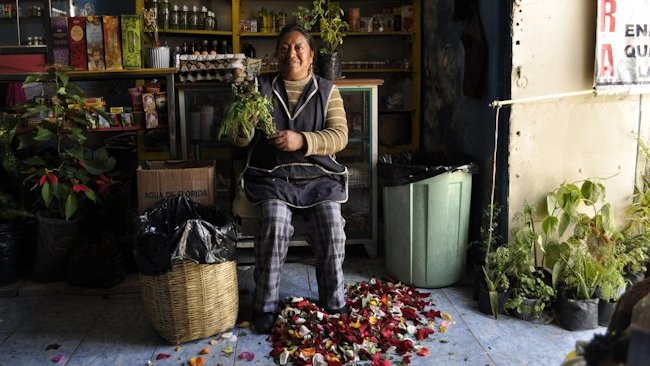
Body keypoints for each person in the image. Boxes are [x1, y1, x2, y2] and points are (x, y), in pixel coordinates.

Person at [236, 24, 349, 333]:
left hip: (318, 177)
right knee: (274, 223)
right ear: (276, 55)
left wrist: (303, 140)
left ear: (311, 56)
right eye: (285, 48)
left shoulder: (327, 90)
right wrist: (244, 122)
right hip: (273, 177)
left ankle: (334, 299)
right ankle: (266, 304)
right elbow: (239, 140)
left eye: (299, 47)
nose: (292, 54)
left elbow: (340, 136)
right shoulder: (260, 89)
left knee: (330, 224)